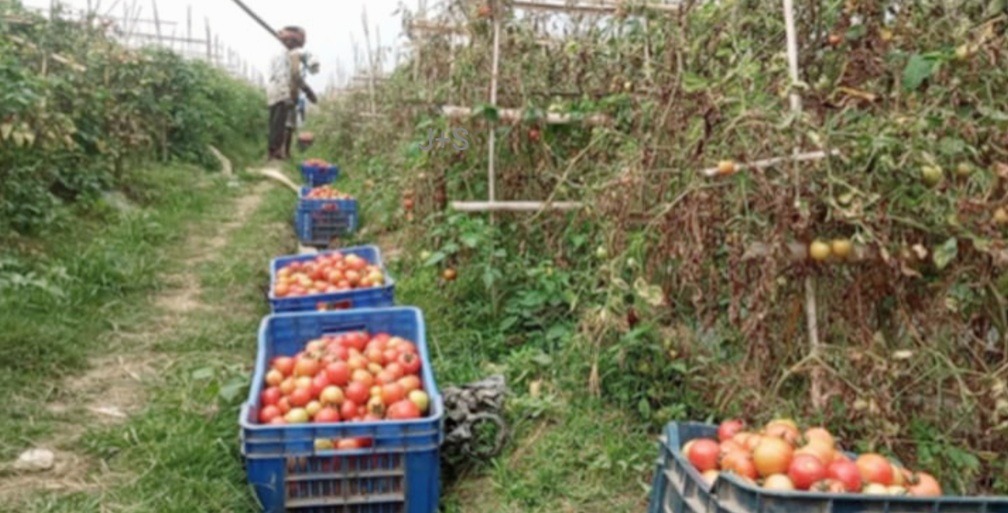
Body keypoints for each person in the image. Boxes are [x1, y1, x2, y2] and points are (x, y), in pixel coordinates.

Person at [266, 26, 318, 161]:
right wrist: (287, 95)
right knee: (278, 124)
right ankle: (274, 152)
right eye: (296, 44)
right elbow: (284, 76)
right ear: (291, 42)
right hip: (280, 92)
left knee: (275, 123)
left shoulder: (285, 53)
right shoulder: (283, 55)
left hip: (274, 91)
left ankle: (274, 151)